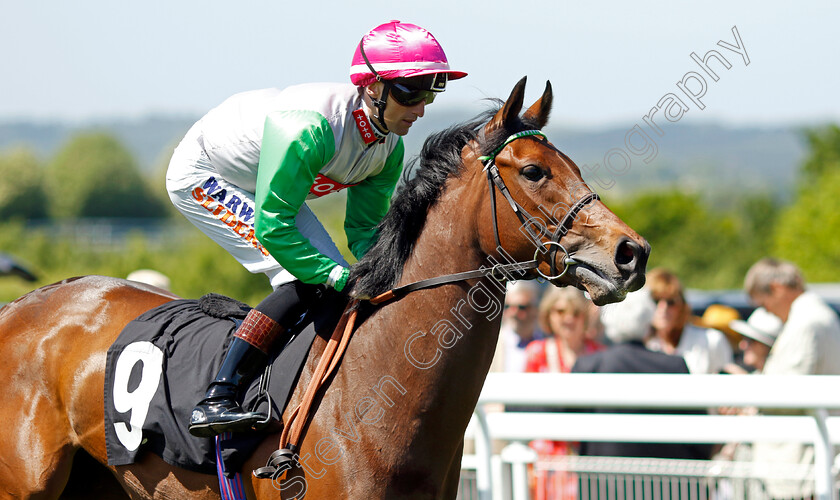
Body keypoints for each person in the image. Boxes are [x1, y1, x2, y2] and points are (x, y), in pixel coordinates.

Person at [165, 20, 466, 437]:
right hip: (206, 174)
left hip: (261, 184)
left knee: (337, 280)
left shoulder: (388, 148)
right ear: (373, 87)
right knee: (304, 276)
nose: (420, 108)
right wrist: (333, 273)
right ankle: (218, 396)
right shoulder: (310, 130)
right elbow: (273, 229)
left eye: (430, 92)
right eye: (410, 92)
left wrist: (408, 274)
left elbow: (364, 234)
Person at [574, 289, 712, 460]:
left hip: (602, 482)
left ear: (607, 320)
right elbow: (701, 436)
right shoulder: (673, 366)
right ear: (648, 320)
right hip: (665, 482)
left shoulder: (589, 366)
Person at [743, 258, 840, 498]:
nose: (768, 313)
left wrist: (745, 394)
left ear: (776, 288)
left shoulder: (807, 323)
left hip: (798, 467)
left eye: (765, 305)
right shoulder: (818, 316)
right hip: (805, 460)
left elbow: (787, 393)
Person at [523, 287, 604, 500]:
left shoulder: (601, 354)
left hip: (590, 453)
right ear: (548, 315)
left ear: (584, 318)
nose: (568, 319)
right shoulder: (537, 352)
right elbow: (526, 404)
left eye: (575, 313)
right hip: (549, 455)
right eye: (560, 312)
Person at [644, 268, 734, 374]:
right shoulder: (640, 345)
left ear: (682, 306)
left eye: (671, 302)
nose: (663, 308)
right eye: (656, 300)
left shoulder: (711, 341)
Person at [490, 280, 546, 373]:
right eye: (508, 307)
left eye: (522, 307)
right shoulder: (493, 344)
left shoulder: (549, 344)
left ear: (535, 309)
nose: (514, 313)